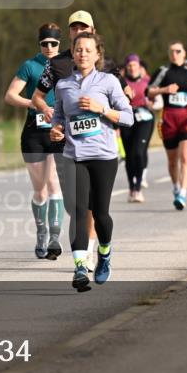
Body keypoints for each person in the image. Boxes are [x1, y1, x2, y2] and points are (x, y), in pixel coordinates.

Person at [49, 32, 133, 292]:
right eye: (78, 49)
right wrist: (56, 130)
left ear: (97, 54)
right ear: (73, 54)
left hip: (104, 156)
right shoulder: (63, 85)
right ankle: (79, 267)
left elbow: (128, 117)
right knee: (78, 211)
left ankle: (104, 254)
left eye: (88, 49)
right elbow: (58, 117)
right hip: (74, 156)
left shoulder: (108, 82)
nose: (82, 53)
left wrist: (102, 109)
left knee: (101, 214)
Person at [32, 10, 99, 262]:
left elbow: (124, 95)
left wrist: (106, 110)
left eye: (84, 27)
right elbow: (38, 96)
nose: (79, 31)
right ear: (69, 33)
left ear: (92, 30)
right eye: (74, 28)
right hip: (65, 142)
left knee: (91, 201)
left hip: (96, 142)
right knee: (73, 204)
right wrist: (47, 111)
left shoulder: (103, 60)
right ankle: (85, 246)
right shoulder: (57, 64)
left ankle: (88, 251)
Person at [3, 24, 66, 258]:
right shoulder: (30, 65)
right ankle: (42, 232)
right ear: (39, 44)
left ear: (59, 44)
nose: (49, 47)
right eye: (44, 43)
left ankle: (55, 237)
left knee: (54, 184)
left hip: (58, 130)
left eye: (53, 43)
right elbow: (10, 96)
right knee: (40, 190)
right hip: (34, 132)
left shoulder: (67, 65)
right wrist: (35, 103)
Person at [148, 42, 187, 210]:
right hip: (169, 117)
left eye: (178, 51)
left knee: (186, 157)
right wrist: (164, 90)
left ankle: (183, 194)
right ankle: (176, 187)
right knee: (173, 160)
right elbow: (149, 91)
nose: (175, 54)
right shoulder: (163, 71)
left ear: (184, 53)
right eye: (171, 51)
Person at [120, 53, 154, 203]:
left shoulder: (148, 81)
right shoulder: (121, 82)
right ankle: (131, 187)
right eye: (129, 65)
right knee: (129, 155)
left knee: (139, 153)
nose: (132, 68)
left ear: (139, 67)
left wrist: (153, 103)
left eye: (135, 65)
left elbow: (158, 100)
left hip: (145, 119)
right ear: (126, 67)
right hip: (127, 119)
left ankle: (138, 187)